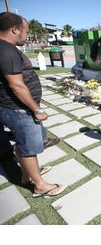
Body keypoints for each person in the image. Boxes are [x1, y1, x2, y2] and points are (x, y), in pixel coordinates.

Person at [0, 12, 65, 197]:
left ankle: (27, 175)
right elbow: (16, 84)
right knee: (28, 147)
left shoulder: (4, 48)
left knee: (23, 143)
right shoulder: (7, 50)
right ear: (14, 29)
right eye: (26, 32)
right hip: (17, 109)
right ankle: (39, 186)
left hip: (11, 107)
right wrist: (37, 109)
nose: (27, 36)